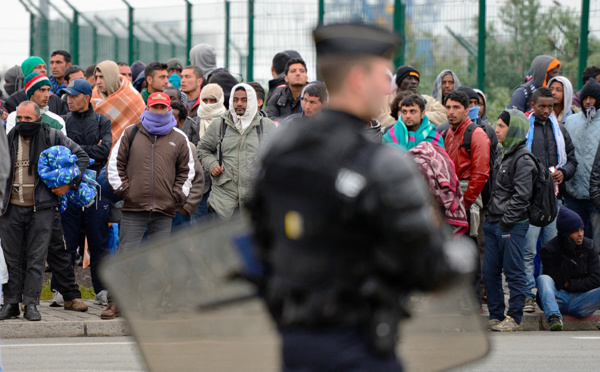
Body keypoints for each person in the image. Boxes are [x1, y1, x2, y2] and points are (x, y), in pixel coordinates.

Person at [247, 22, 464, 371]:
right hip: (360, 345)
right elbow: (426, 265)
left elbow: (259, 242)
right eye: (383, 75)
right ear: (358, 79)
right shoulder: (382, 163)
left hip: (295, 343)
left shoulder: (280, 150)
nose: (388, 87)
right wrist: (460, 257)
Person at [104, 92, 195, 319]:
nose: (158, 110)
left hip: (165, 211)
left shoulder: (179, 138)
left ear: (168, 109)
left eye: (162, 107)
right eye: (154, 106)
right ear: (147, 108)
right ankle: (116, 303)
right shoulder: (130, 133)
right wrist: (126, 192)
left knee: (158, 260)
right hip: (133, 208)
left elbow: (187, 171)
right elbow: (115, 165)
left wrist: (176, 197)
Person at [0, 101, 89, 321]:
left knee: (36, 259)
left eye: (28, 119)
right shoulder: (8, 138)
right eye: (19, 118)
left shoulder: (54, 136)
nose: (23, 123)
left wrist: (69, 184)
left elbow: (82, 157)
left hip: (42, 209)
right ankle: (11, 303)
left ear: (38, 119)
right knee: (12, 260)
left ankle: (31, 304)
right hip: (11, 209)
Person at [523, 87, 578, 313]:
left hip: (554, 200)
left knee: (552, 250)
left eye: (550, 106)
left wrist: (563, 172)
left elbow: (572, 160)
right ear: (532, 106)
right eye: (541, 106)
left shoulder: (561, 130)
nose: (546, 111)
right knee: (528, 250)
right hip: (531, 201)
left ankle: (547, 295)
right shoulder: (525, 129)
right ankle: (527, 295)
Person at [484, 109, 537, 332]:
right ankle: (496, 315)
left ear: (514, 128)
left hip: (511, 225)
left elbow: (522, 196)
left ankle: (514, 318)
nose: (497, 130)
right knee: (489, 272)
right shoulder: (502, 152)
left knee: (513, 271)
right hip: (493, 222)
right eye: (497, 125)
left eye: (502, 126)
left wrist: (506, 221)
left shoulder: (524, 159)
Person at [61, 79, 113, 306]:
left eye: (73, 96)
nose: (69, 100)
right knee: (66, 243)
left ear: (86, 97)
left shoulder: (102, 120)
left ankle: (102, 290)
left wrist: (76, 150)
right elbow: (61, 152)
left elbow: (105, 150)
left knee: (98, 242)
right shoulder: (63, 120)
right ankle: (61, 290)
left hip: (95, 189)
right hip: (68, 188)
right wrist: (90, 153)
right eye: (67, 96)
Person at [198, 84, 276, 219]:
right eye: (235, 100)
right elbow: (202, 149)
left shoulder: (267, 126)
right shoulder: (219, 124)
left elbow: (280, 153)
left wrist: (267, 159)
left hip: (255, 202)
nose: (239, 104)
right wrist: (211, 164)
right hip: (222, 204)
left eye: (244, 100)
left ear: (252, 101)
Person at [537, 207, 600, 331]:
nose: (581, 234)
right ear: (565, 233)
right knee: (543, 279)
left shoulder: (589, 246)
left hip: (582, 301)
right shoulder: (549, 249)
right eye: (575, 231)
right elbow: (555, 282)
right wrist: (570, 258)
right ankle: (554, 317)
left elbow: (596, 279)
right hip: (559, 299)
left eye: (581, 229)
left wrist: (570, 284)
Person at [566, 78, 600, 252]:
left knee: (596, 244)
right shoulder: (571, 122)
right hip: (573, 195)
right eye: (585, 97)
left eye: (592, 98)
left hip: (596, 198)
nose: (588, 102)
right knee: (573, 243)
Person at [91, 60, 146, 145]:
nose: (98, 81)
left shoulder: (133, 97)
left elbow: (142, 127)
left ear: (111, 77)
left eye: (102, 77)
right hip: (98, 152)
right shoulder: (93, 97)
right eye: (96, 77)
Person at [378, 65, 447, 127]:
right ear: (399, 81)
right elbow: (376, 120)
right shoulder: (382, 101)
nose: (414, 81)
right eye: (409, 78)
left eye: (416, 79)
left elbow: (444, 116)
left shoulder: (427, 100)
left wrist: (418, 116)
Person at [266, 58, 309, 123]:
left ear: (306, 78)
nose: (298, 74)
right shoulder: (277, 99)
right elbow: (269, 121)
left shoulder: (315, 97)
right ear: (286, 78)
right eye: (293, 71)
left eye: (302, 71)